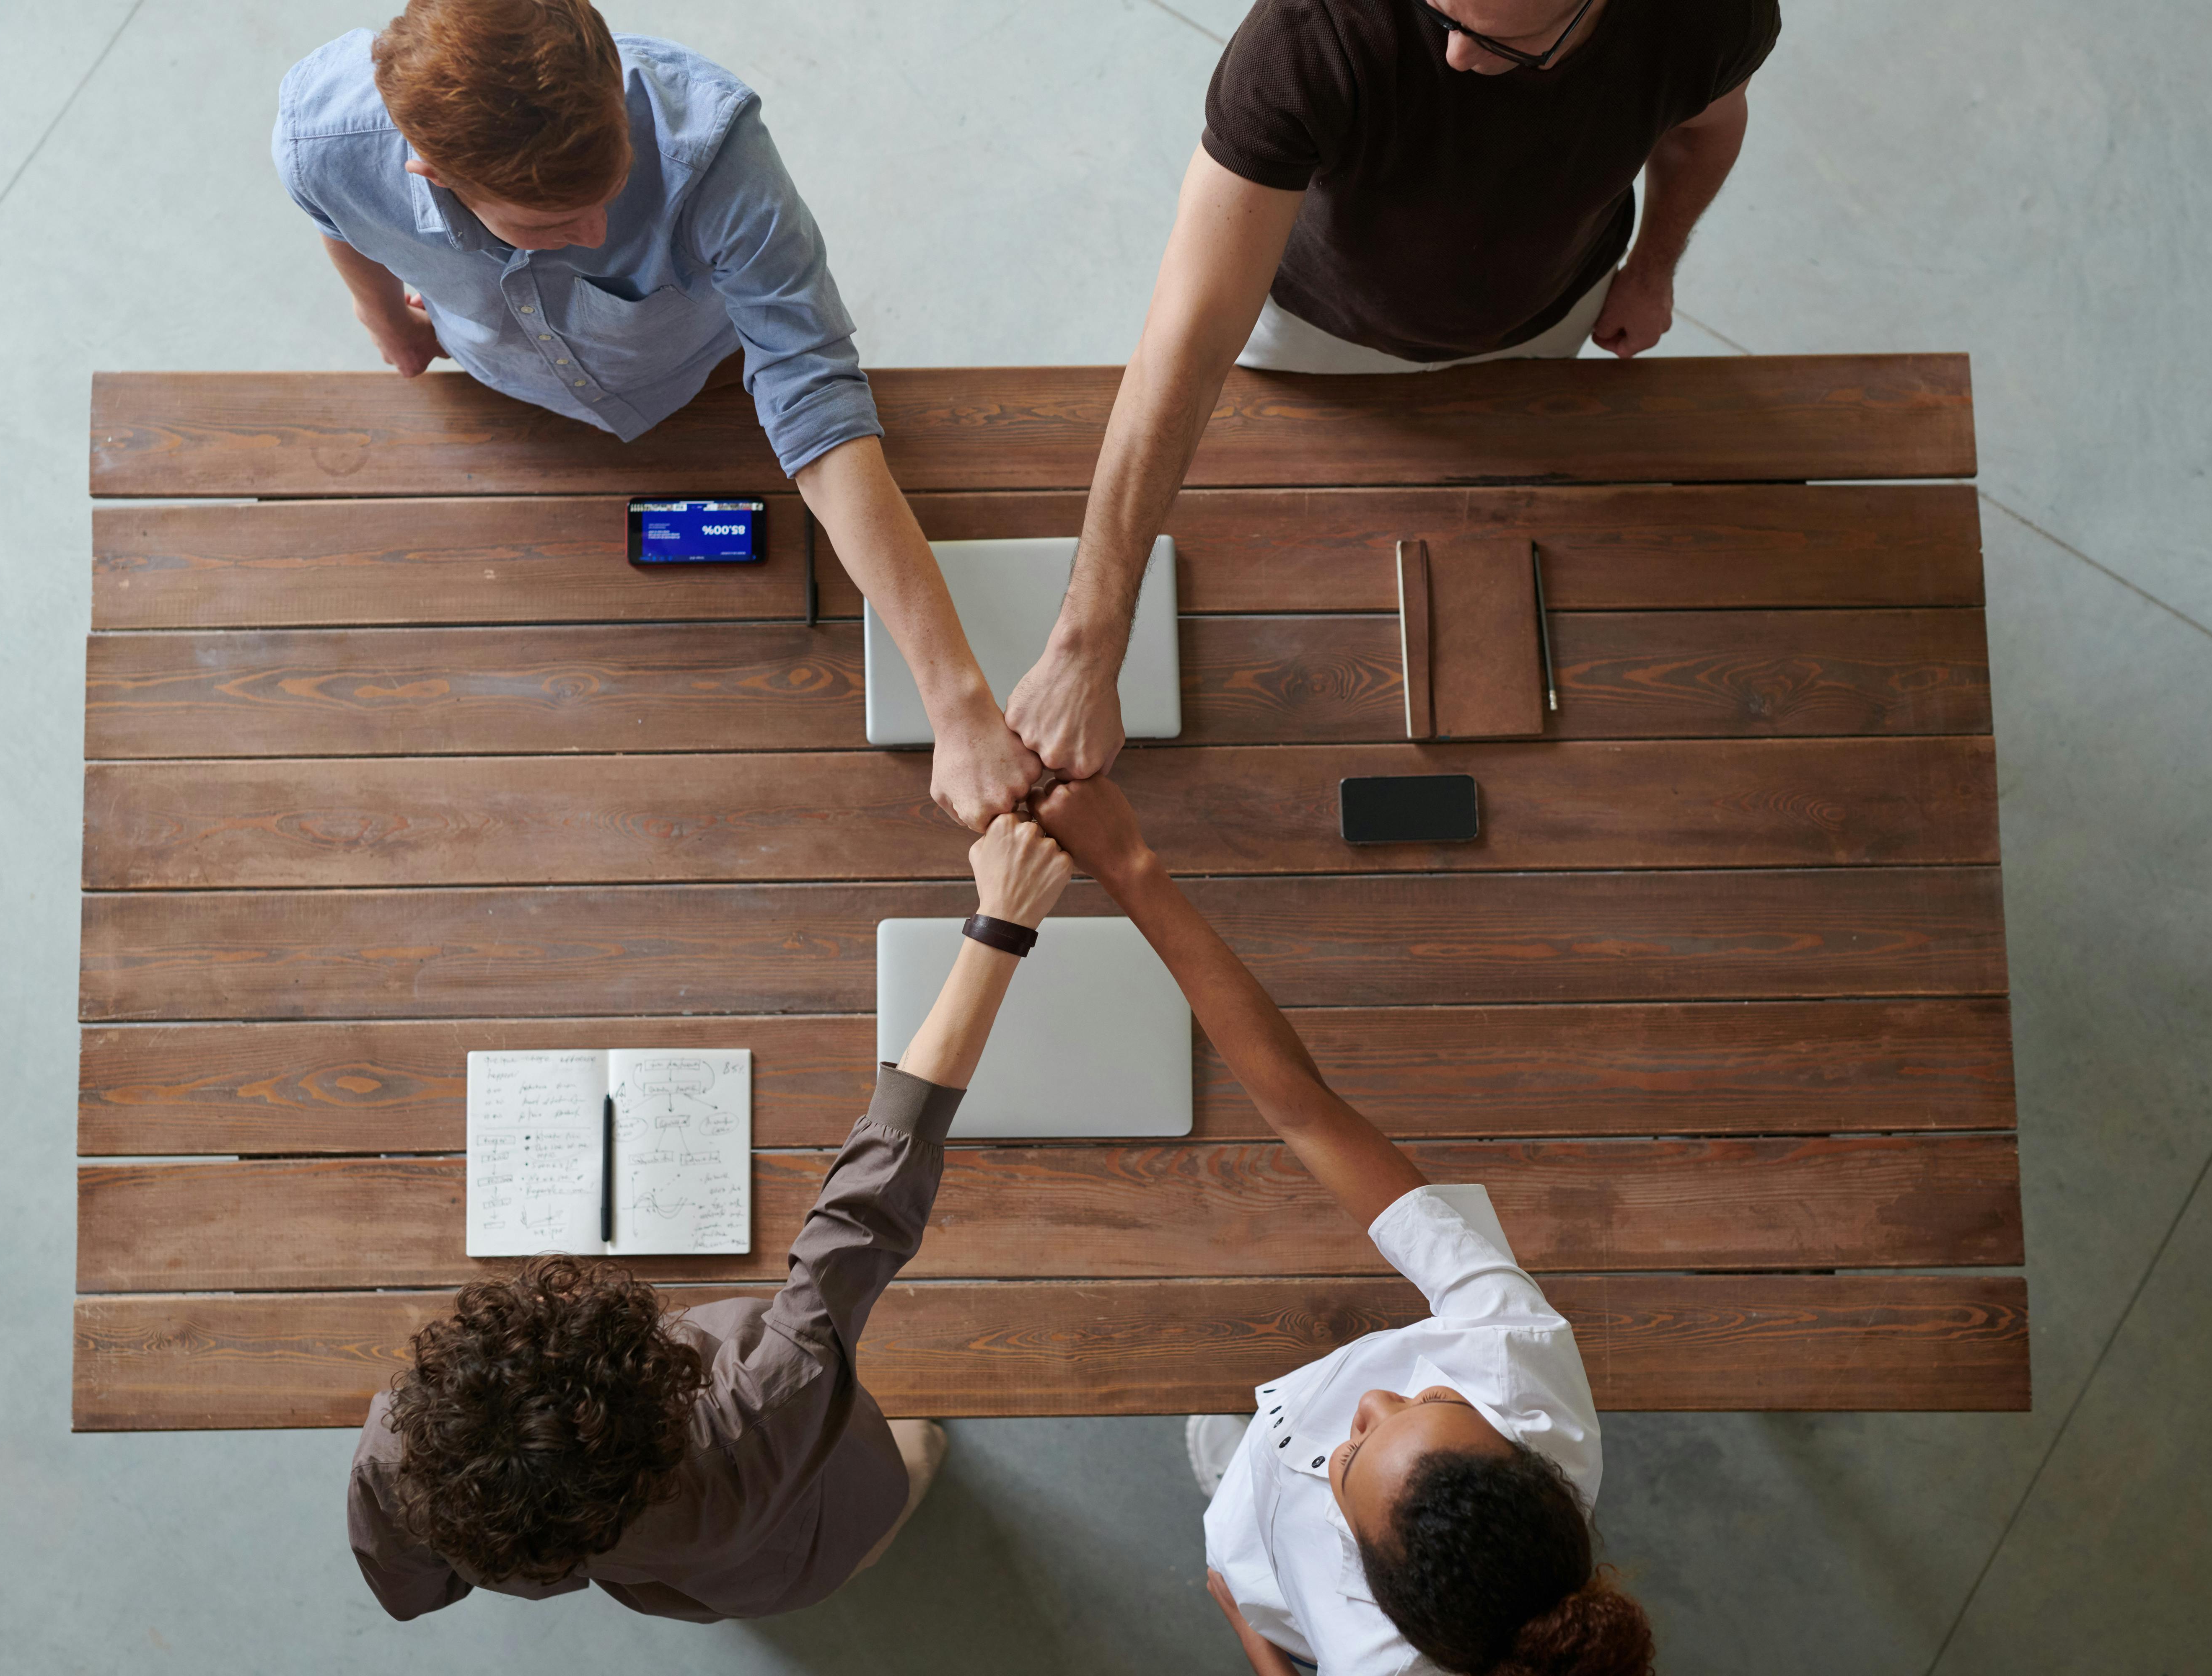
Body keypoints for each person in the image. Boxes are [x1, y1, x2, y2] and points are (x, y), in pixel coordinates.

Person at [273, 0, 1037, 828]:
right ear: (431, 169)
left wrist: (959, 708)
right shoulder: (323, 139)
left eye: (611, 187)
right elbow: (329, 209)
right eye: (552, 223)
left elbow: (813, 393)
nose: (598, 230)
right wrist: (384, 316)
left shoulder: (714, 150)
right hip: (508, 401)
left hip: (703, 375)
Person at [1005, 0, 1781, 780]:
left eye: (1494, 42)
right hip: (1313, 328)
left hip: (1550, 313)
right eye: (1436, 13)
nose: (1454, 60)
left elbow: (1705, 127)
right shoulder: (1307, 35)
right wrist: (1085, 644)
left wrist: (1652, 269)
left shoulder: (1706, 14)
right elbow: (1189, 341)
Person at [346, 813, 1075, 1620]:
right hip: (811, 1530)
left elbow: (408, 1590)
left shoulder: (405, 1448)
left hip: (713, 1577)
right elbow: (867, 1206)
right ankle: (920, 1462)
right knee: (901, 1465)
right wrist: (1001, 922)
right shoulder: (749, 1418)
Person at [1031, 776, 1648, 1676]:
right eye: (1437, 1400)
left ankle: (1244, 1482)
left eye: (1354, 1451)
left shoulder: (1377, 1662)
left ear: (1367, 1588)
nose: (1376, 1399)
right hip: (1294, 1533)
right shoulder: (1514, 1353)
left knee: (1240, 1509)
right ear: (1537, 1467)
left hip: (1260, 1567)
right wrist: (1130, 866)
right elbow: (1307, 1113)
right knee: (1259, 1454)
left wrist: (1258, 1641)